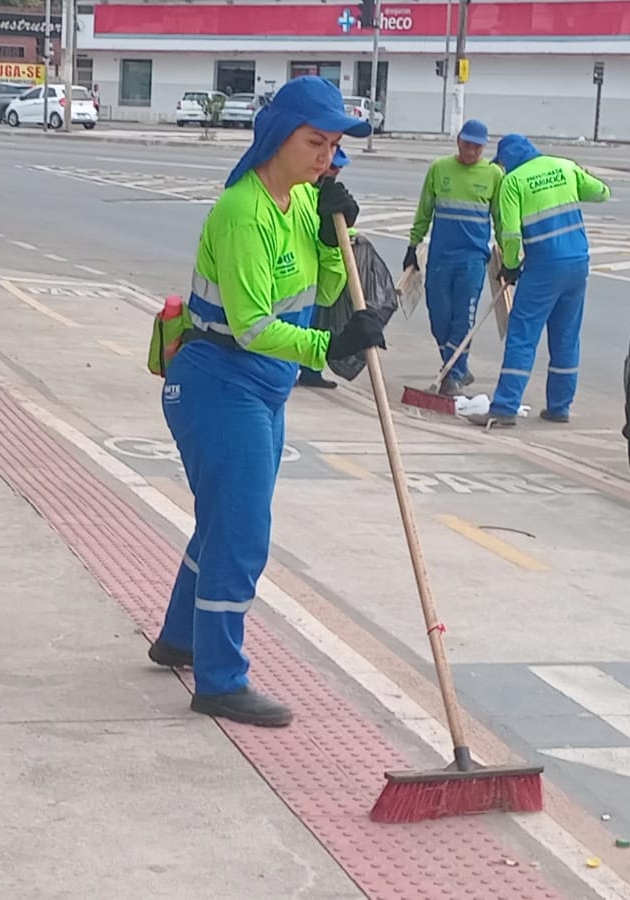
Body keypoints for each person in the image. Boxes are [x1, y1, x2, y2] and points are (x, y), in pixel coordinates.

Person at [146, 77, 386, 727]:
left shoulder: (304, 203)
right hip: (219, 381)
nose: (325, 157)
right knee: (244, 532)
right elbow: (253, 325)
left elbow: (322, 283)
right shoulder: (243, 211)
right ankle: (221, 680)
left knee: (226, 519)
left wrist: (339, 242)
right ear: (278, 138)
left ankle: (180, 638)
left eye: (334, 146)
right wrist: (330, 343)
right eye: (315, 142)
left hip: (264, 386)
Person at [466, 133, 610, 429]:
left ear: (506, 161)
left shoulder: (513, 182)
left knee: (522, 334)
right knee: (566, 335)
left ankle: (505, 407)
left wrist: (509, 266)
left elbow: (511, 234)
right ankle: (559, 406)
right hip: (578, 263)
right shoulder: (564, 166)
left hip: (544, 266)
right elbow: (601, 193)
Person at [403, 119, 502, 395]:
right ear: (458, 141)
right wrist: (413, 245)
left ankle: (454, 375)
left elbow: (501, 220)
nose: (471, 150)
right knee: (439, 318)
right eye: (467, 143)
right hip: (440, 257)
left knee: (463, 319)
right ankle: (455, 367)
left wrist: (509, 259)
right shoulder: (439, 169)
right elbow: (424, 210)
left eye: (477, 146)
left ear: (484, 147)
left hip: (471, 259)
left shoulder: (494, 175)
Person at [297, 148, 352, 389]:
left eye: (339, 167)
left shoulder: (330, 194)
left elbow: (328, 292)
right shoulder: (302, 193)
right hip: (302, 273)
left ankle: (311, 371)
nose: (335, 170)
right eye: (333, 166)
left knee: (318, 319)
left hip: (319, 275)